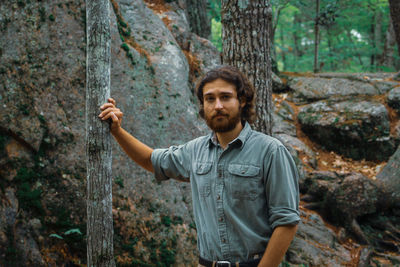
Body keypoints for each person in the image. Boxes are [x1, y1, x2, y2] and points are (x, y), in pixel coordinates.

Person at [99, 65, 300, 267]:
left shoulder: (271, 151)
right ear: (203, 105)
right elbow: (152, 160)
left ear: (243, 100)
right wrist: (117, 131)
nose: (218, 105)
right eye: (210, 99)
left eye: (226, 97)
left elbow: (286, 222)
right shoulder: (195, 151)